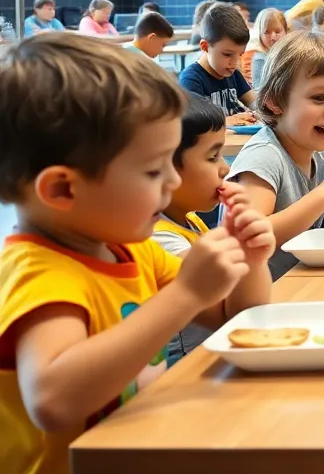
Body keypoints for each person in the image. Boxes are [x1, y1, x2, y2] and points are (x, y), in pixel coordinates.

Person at [0, 34, 273, 472]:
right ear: (63, 189)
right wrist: (184, 294)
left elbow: (237, 319)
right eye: (153, 168)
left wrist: (251, 258)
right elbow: (54, 400)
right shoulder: (39, 273)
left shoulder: (132, 251)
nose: (171, 182)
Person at [227, 31, 324, 279]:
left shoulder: (321, 155)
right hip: (258, 299)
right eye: (319, 98)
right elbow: (249, 237)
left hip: (299, 281)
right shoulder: (264, 157)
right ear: (274, 102)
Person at [151, 95, 233, 364]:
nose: (226, 168)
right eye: (213, 157)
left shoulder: (191, 220)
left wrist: (249, 251)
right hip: (186, 363)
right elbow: (215, 288)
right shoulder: (158, 236)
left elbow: (235, 309)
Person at [178, 3, 256, 124]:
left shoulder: (232, 73)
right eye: (227, 54)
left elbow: (255, 103)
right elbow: (193, 123)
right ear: (205, 46)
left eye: (240, 55)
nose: (235, 63)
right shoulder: (191, 79)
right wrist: (226, 121)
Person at [244, 8, 287, 89]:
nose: (273, 37)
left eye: (277, 31)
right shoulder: (259, 59)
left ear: (286, 31)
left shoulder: (289, 54)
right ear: (260, 35)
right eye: (266, 32)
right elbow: (259, 91)